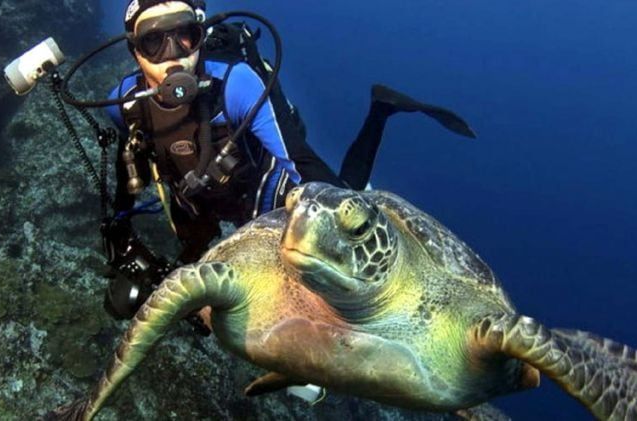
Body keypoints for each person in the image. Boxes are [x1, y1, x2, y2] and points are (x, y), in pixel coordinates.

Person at [100, 0, 476, 321]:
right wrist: (120, 235)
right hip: (196, 202)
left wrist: (348, 218)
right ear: (134, 50)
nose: (173, 54)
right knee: (170, 283)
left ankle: (381, 109)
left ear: (200, 36)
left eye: (185, 36)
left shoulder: (237, 85)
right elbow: (128, 164)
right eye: (153, 41)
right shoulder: (125, 104)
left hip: (262, 191)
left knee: (343, 202)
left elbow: (299, 160)